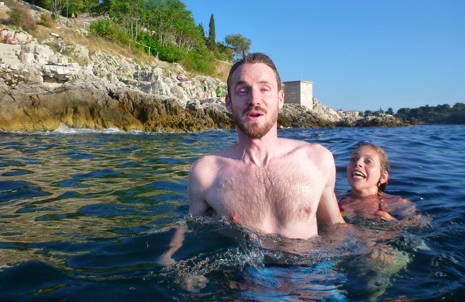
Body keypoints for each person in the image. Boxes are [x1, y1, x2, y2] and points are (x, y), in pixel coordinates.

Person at [159, 52, 345, 265]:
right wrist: (170, 258)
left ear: (280, 99)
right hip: (247, 283)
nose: (254, 100)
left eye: (265, 89)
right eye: (242, 91)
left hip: (313, 281)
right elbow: (190, 226)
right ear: (228, 103)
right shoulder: (206, 172)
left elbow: (336, 229)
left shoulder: (317, 160)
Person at [338, 142, 416, 221]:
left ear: (383, 177)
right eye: (354, 159)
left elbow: (417, 226)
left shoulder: (398, 204)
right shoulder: (335, 200)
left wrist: (392, 222)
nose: (358, 163)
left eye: (368, 161)